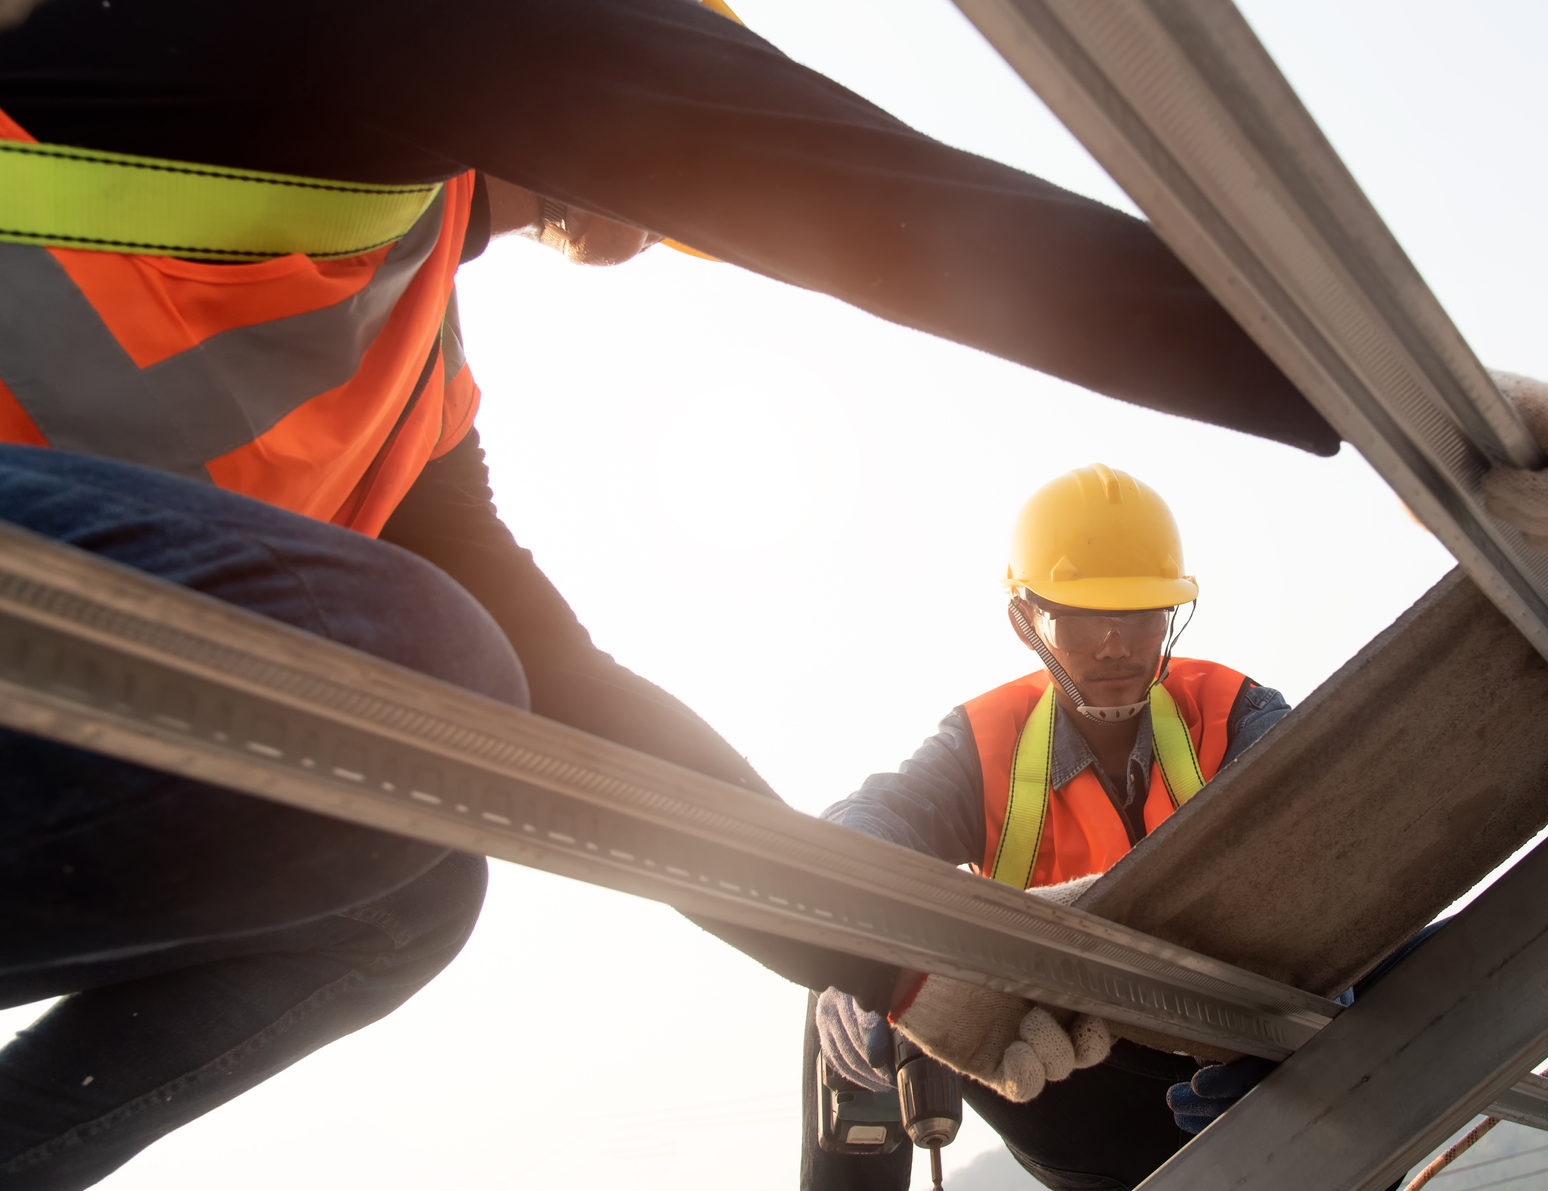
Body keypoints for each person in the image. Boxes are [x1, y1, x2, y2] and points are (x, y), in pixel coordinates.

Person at [0, 2, 1359, 1185]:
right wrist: (1349, 377)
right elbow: (808, 166)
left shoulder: (400, 340)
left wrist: (905, 957)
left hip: (51, 677)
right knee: (407, 678)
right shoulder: (300, 35)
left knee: (405, 865)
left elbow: (564, 704)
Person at [805, 464, 1293, 1191]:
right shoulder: (984, 742)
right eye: (1080, 615)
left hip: (1246, 1060)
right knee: (846, 973)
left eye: (1140, 614)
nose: (1114, 644)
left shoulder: (1234, 711)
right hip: (1070, 1080)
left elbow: (1328, 842)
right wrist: (853, 950)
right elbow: (863, 826)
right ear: (1024, 619)